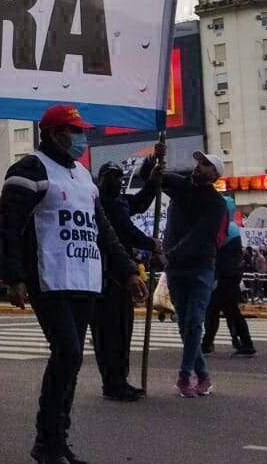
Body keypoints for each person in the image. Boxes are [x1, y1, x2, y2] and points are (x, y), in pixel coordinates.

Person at [0, 104, 145, 464]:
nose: (81, 137)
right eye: (73, 131)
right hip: (49, 278)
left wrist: (127, 271)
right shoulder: (29, 169)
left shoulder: (82, 174)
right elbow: (7, 225)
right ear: (53, 134)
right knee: (67, 352)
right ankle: (47, 443)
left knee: (73, 360)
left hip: (86, 277)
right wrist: (14, 277)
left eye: (81, 130)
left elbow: (102, 230)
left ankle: (59, 441)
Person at [130, 144, 229, 398]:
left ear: (214, 175)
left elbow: (198, 237)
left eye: (206, 164)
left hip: (200, 268)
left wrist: (166, 256)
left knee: (195, 323)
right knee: (185, 325)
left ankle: (185, 376)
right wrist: (154, 159)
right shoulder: (182, 185)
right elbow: (150, 177)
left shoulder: (216, 205)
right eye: (199, 162)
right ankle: (204, 376)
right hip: (175, 269)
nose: (199, 167)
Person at [93, 163, 158, 400]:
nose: (116, 181)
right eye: (111, 177)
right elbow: (125, 230)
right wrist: (151, 244)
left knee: (122, 331)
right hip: (104, 277)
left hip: (121, 276)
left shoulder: (119, 201)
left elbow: (140, 202)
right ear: (100, 179)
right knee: (108, 334)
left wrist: (151, 179)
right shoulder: (99, 202)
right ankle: (112, 383)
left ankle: (120, 379)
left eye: (119, 177)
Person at [204, 216, 257, 357]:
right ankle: (209, 343)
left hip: (224, 283)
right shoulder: (234, 240)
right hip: (229, 282)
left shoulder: (225, 240)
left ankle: (244, 344)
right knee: (225, 313)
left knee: (222, 313)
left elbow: (220, 263)